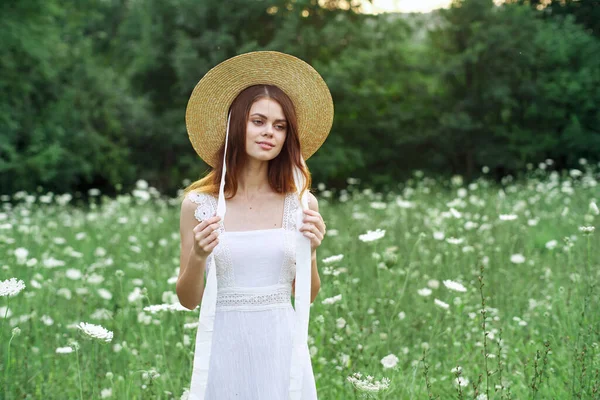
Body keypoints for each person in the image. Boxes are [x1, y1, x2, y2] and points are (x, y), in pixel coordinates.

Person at [176, 51, 334, 399]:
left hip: (281, 346)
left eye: (280, 126)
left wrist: (311, 254)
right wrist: (199, 257)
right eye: (258, 121)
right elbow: (188, 300)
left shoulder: (302, 202)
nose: (269, 133)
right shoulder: (198, 205)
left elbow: (305, 297)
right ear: (236, 126)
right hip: (224, 347)